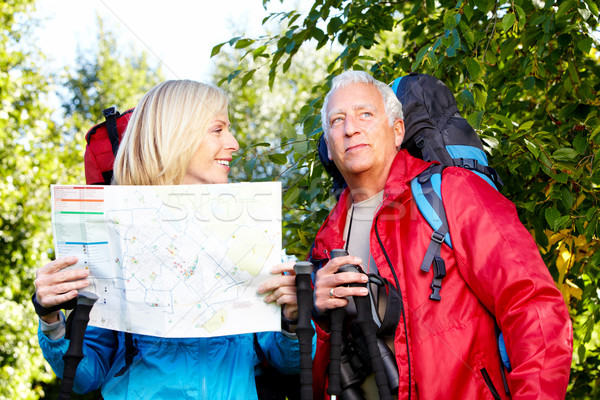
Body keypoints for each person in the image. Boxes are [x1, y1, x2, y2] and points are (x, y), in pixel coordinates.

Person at [34, 80, 306, 399]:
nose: (233, 143)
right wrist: (51, 320)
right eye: (218, 130)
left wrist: (292, 319)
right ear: (177, 137)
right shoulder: (113, 235)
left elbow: (288, 363)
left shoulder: (249, 231)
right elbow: (83, 376)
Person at [310, 71, 573, 399]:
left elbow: (532, 305)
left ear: (397, 131)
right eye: (337, 120)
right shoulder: (327, 240)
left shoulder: (451, 192)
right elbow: (311, 377)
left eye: (366, 113)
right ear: (330, 150)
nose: (351, 128)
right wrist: (315, 317)